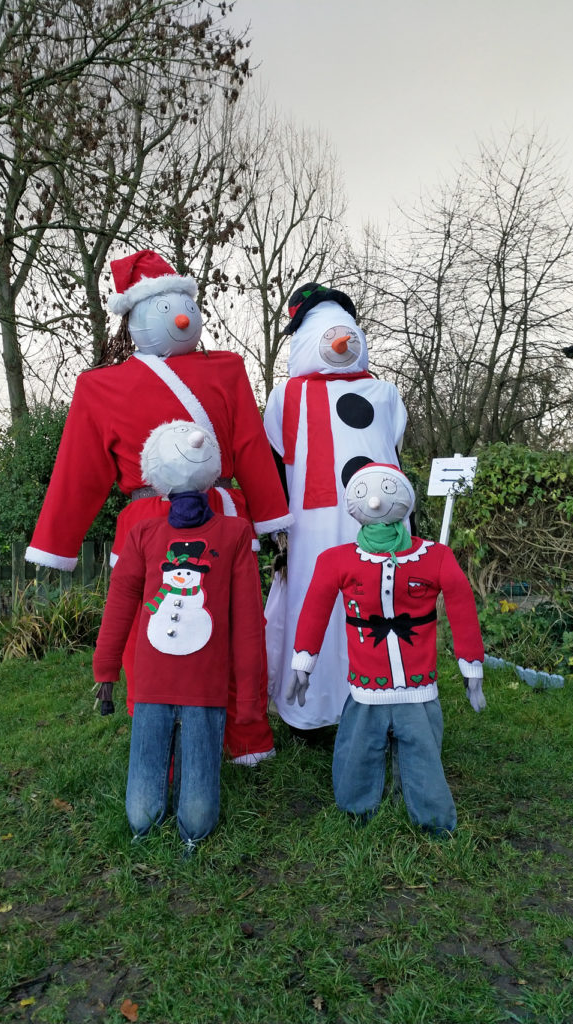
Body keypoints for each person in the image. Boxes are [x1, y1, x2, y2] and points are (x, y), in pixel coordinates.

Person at [26, 249, 292, 763]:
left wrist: (272, 516)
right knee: (153, 632)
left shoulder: (228, 370)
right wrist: (56, 544)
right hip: (147, 521)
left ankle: (246, 735)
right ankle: (159, 737)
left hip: (222, 515)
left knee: (240, 630)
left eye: (184, 303)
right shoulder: (98, 386)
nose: (181, 316)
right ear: (134, 318)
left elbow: (254, 448)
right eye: (165, 305)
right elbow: (77, 471)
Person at [93, 421, 265, 854]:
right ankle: (148, 824)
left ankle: (192, 832)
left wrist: (248, 699)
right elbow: (119, 607)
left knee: (199, 815)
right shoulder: (144, 535)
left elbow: (248, 623)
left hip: (206, 686)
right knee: (142, 810)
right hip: (151, 682)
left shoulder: (235, 534)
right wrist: (105, 670)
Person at [286, 463, 486, 834]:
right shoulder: (336, 560)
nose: (374, 500)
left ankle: (432, 818)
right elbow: (314, 608)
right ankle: (356, 809)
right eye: (362, 494)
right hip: (366, 686)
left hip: (418, 685)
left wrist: (471, 667)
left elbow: (461, 607)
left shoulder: (436, 557)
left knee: (424, 752)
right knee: (356, 749)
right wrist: (303, 662)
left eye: (383, 491)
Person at [263, 283, 407, 739]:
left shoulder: (385, 393)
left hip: (378, 524)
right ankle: (313, 708)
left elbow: (396, 454)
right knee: (315, 604)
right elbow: (273, 462)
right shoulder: (286, 396)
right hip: (311, 530)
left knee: (377, 602)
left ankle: (379, 699)